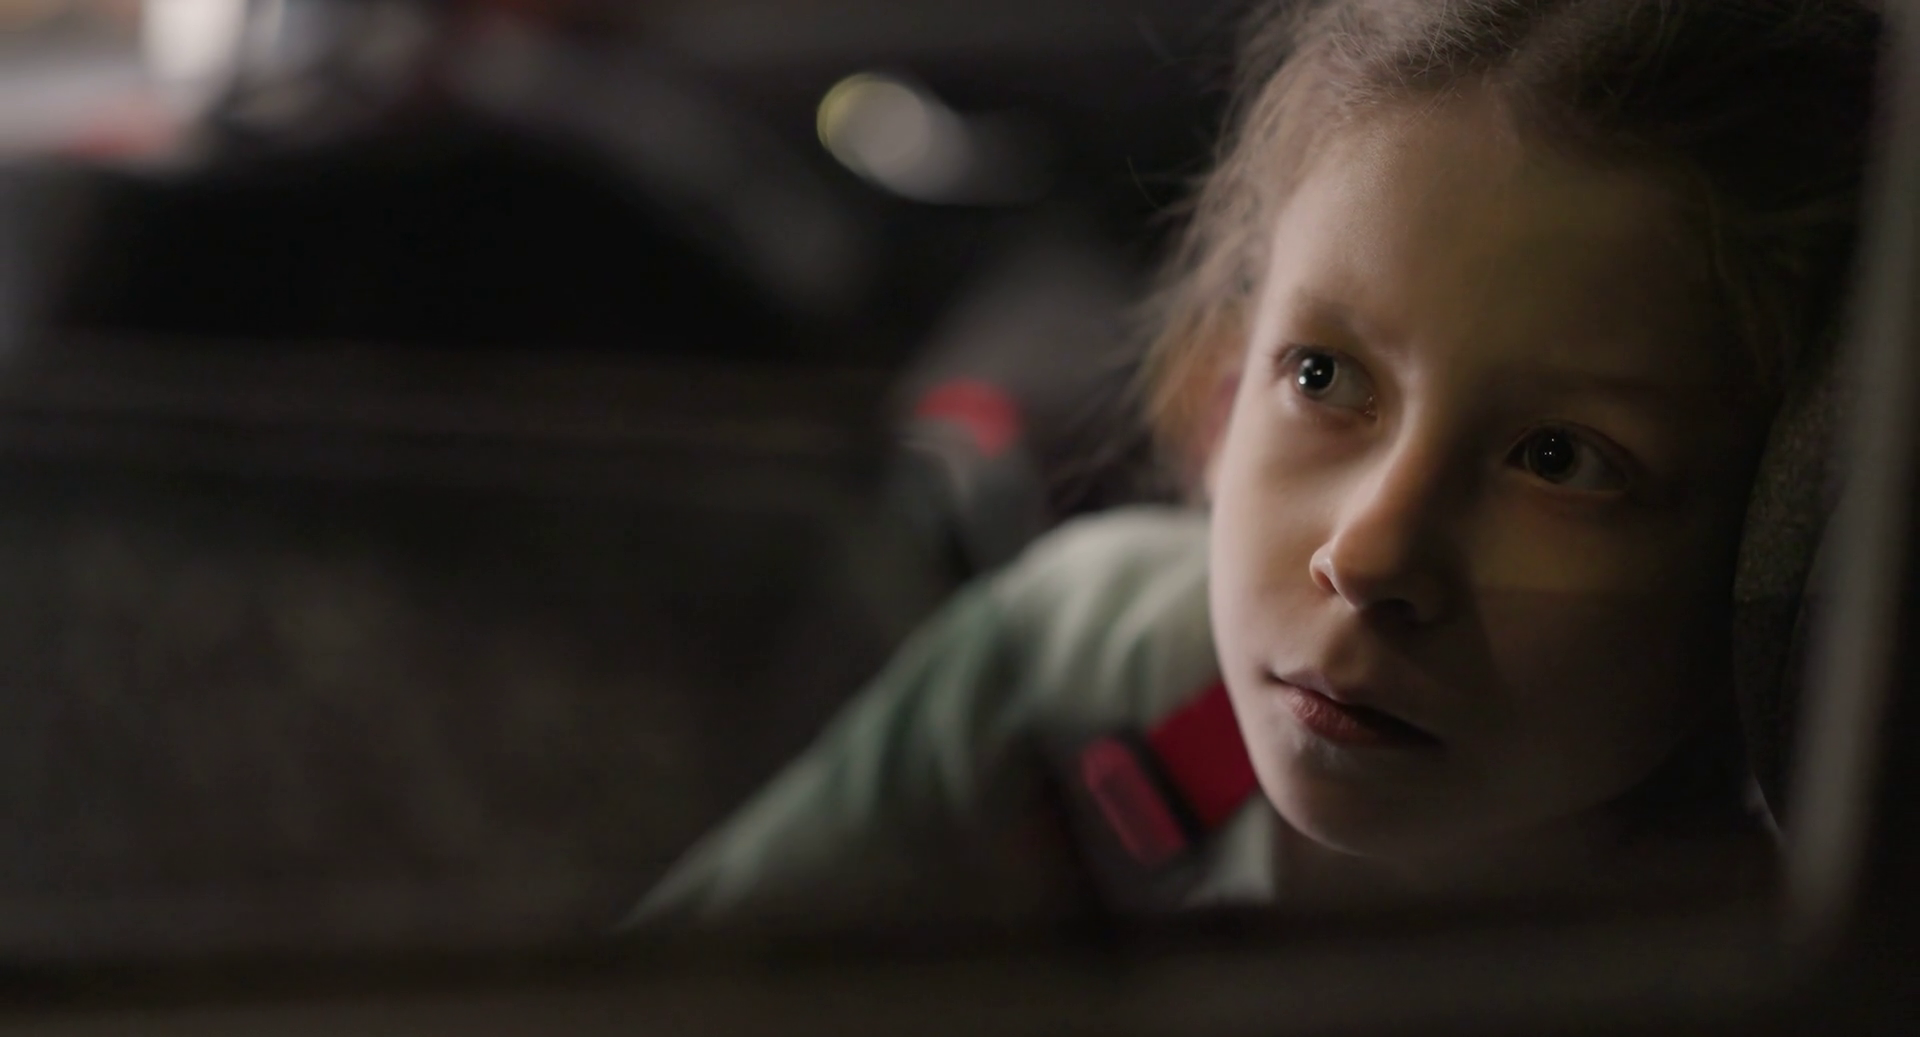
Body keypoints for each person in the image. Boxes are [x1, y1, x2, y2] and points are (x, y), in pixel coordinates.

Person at [629, 0, 1882, 930]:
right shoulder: (1078, 664)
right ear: (1222, 385)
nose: (1369, 555)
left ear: (1776, 534)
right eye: (1323, 377)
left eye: (1559, 458)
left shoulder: (1806, 956)